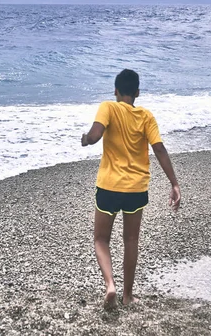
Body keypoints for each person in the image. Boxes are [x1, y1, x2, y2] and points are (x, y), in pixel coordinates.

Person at [81, 69, 181, 309]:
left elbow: (95, 136)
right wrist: (174, 183)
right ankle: (127, 295)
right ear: (137, 92)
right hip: (136, 189)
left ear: (115, 91)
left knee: (100, 239)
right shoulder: (146, 116)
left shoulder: (109, 107)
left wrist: (85, 138)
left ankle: (110, 285)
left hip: (109, 186)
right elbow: (159, 150)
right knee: (131, 240)